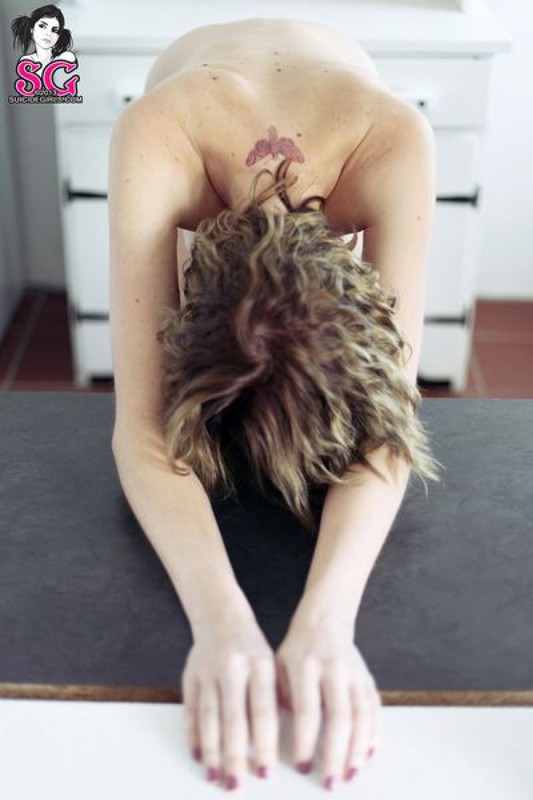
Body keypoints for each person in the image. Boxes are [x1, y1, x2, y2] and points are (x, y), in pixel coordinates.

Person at [108, 17, 443, 794]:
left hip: (338, 92)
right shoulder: (156, 136)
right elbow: (142, 426)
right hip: (199, 85)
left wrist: (327, 621)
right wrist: (219, 622)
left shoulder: (392, 142)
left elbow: (388, 428)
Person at [11, 4, 77, 80]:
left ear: (59, 36)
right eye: (42, 26)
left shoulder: (66, 57)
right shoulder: (27, 61)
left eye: (54, 30)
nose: (48, 33)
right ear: (31, 29)